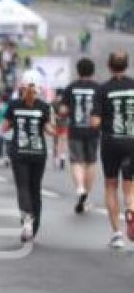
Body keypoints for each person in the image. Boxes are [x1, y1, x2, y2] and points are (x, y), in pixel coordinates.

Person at [2, 70, 54, 243]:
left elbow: (5, 127)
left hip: (19, 152)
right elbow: (49, 130)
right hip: (38, 153)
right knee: (35, 188)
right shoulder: (44, 107)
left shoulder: (14, 105)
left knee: (22, 187)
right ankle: (35, 225)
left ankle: (26, 219)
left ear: (21, 86)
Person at [91, 51, 134, 250]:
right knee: (129, 185)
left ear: (109, 66)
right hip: (132, 141)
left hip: (111, 142)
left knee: (110, 185)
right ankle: (131, 209)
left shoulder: (103, 89)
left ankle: (117, 234)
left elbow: (95, 121)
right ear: (126, 66)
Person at [60, 57, 100, 214]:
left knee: (76, 161)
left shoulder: (70, 87)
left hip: (75, 129)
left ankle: (80, 187)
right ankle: (86, 198)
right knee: (91, 162)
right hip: (92, 130)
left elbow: (63, 110)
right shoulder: (98, 88)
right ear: (92, 71)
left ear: (78, 71)